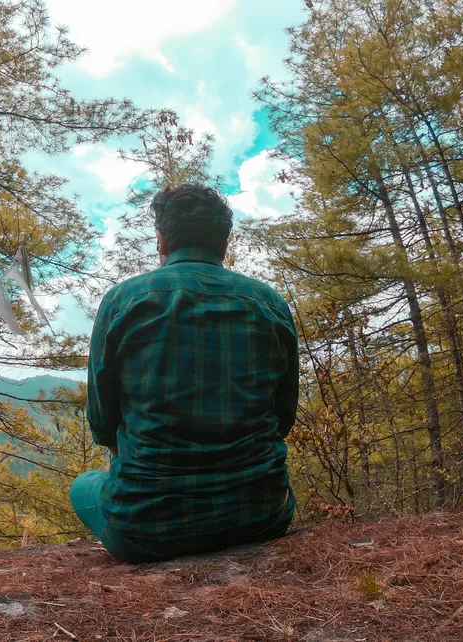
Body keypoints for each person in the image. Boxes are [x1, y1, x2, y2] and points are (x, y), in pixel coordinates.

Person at [71, 183, 298, 563]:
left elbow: (102, 420)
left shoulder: (124, 300)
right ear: (224, 244)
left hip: (144, 530)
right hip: (262, 516)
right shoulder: (269, 302)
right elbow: (283, 416)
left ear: (161, 240)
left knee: (84, 486)